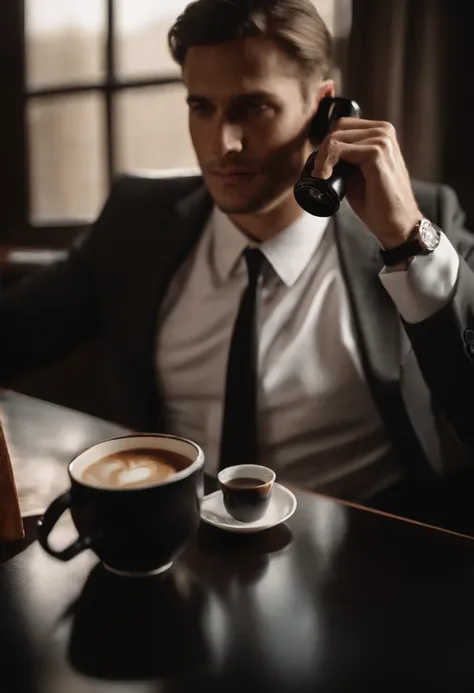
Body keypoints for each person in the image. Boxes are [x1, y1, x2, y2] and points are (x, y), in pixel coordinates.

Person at [2, 0, 474, 526]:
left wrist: (406, 238)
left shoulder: (420, 219)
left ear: (324, 107)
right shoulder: (136, 222)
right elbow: (17, 330)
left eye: (253, 107)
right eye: (202, 108)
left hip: (368, 551)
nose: (222, 143)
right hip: (179, 543)